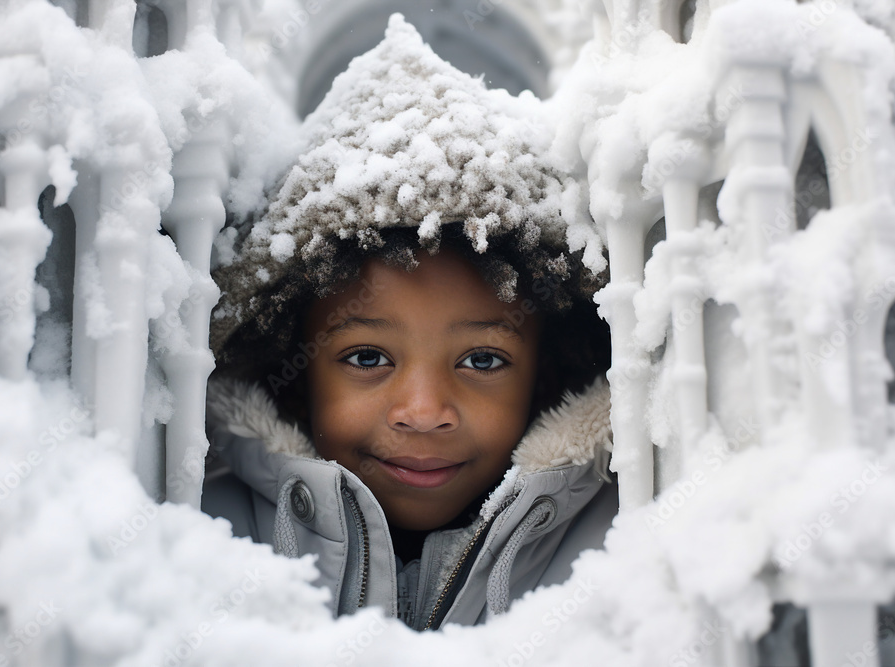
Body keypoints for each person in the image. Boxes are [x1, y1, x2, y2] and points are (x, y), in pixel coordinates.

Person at [202, 14, 617, 631]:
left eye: (482, 360)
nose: (423, 412)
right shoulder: (205, 535)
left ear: (548, 371)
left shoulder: (619, 546)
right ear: (290, 367)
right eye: (368, 357)